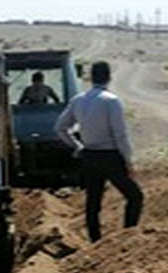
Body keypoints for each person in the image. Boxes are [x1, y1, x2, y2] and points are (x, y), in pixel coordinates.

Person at [54, 60, 143, 242]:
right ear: (109, 77)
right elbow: (120, 135)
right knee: (135, 196)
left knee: (93, 202)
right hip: (110, 156)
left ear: (91, 77)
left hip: (89, 156)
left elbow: (60, 128)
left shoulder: (78, 100)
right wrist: (128, 161)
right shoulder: (111, 101)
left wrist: (77, 146)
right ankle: (128, 236)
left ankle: (95, 241)